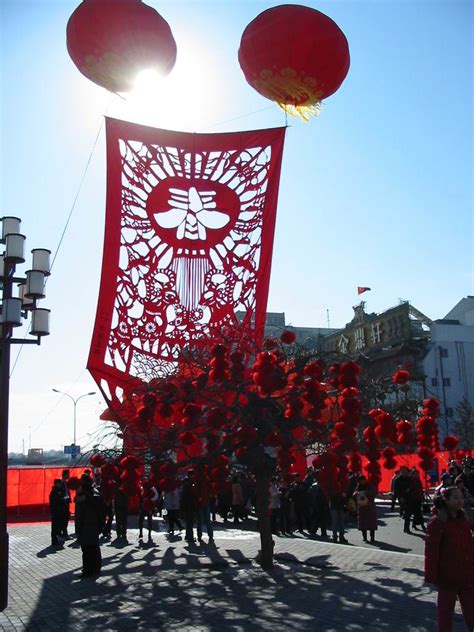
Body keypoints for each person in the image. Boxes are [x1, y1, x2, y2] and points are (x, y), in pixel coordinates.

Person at [425, 486, 474, 631]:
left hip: (467, 573)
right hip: (448, 576)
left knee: (471, 609)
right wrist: (431, 576)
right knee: (445, 612)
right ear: (446, 500)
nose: (460, 501)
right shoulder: (437, 522)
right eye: (456, 497)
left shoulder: (463, 518)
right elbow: (431, 551)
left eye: (461, 497)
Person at [75, 477, 105, 578]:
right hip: (96, 524)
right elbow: (102, 510)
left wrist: (77, 529)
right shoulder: (96, 492)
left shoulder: (81, 495)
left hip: (85, 525)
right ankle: (96, 568)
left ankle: (87, 571)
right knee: (95, 547)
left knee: (86, 549)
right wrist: (101, 524)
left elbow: (79, 514)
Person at [355, 475, 378, 543]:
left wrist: (366, 492)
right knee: (363, 522)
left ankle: (372, 538)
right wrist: (356, 493)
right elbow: (354, 493)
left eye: (363, 480)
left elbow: (374, 493)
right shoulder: (358, 486)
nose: (362, 481)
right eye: (360, 480)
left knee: (371, 523)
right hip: (362, 506)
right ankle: (364, 537)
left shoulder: (370, 485)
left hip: (370, 506)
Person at [181, 470, 198, 543]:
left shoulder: (185, 482)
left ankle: (188, 536)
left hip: (186, 505)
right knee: (190, 522)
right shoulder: (190, 483)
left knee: (188, 522)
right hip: (190, 504)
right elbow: (192, 493)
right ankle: (190, 537)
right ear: (191, 475)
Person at [49, 479, 67, 546]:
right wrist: (62, 500)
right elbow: (56, 501)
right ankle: (54, 540)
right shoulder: (54, 491)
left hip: (58, 511)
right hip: (56, 512)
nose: (60, 485)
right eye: (59, 483)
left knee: (58, 526)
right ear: (56, 484)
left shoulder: (58, 491)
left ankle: (56, 540)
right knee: (55, 527)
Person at [59, 469, 71, 538]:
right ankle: (64, 533)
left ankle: (64, 533)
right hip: (63, 503)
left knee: (66, 517)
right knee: (64, 518)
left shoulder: (66, 482)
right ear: (65, 475)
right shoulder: (61, 482)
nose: (69, 475)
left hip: (66, 501)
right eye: (68, 474)